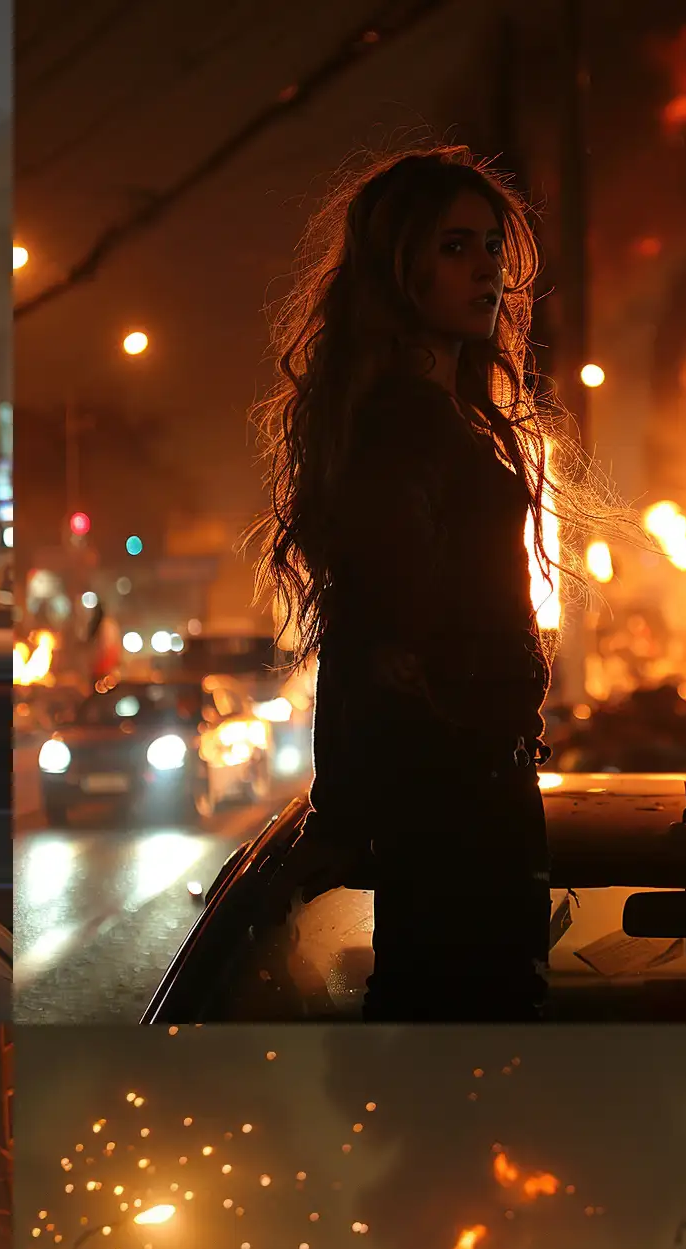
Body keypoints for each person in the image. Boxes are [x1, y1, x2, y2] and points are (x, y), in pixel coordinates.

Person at [257, 148, 598, 1020]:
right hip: (454, 802)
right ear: (396, 268)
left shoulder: (443, 421)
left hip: (478, 790)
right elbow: (368, 627)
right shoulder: (402, 433)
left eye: (491, 244)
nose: (487, 266)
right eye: (454, 246)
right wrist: (344, 809)